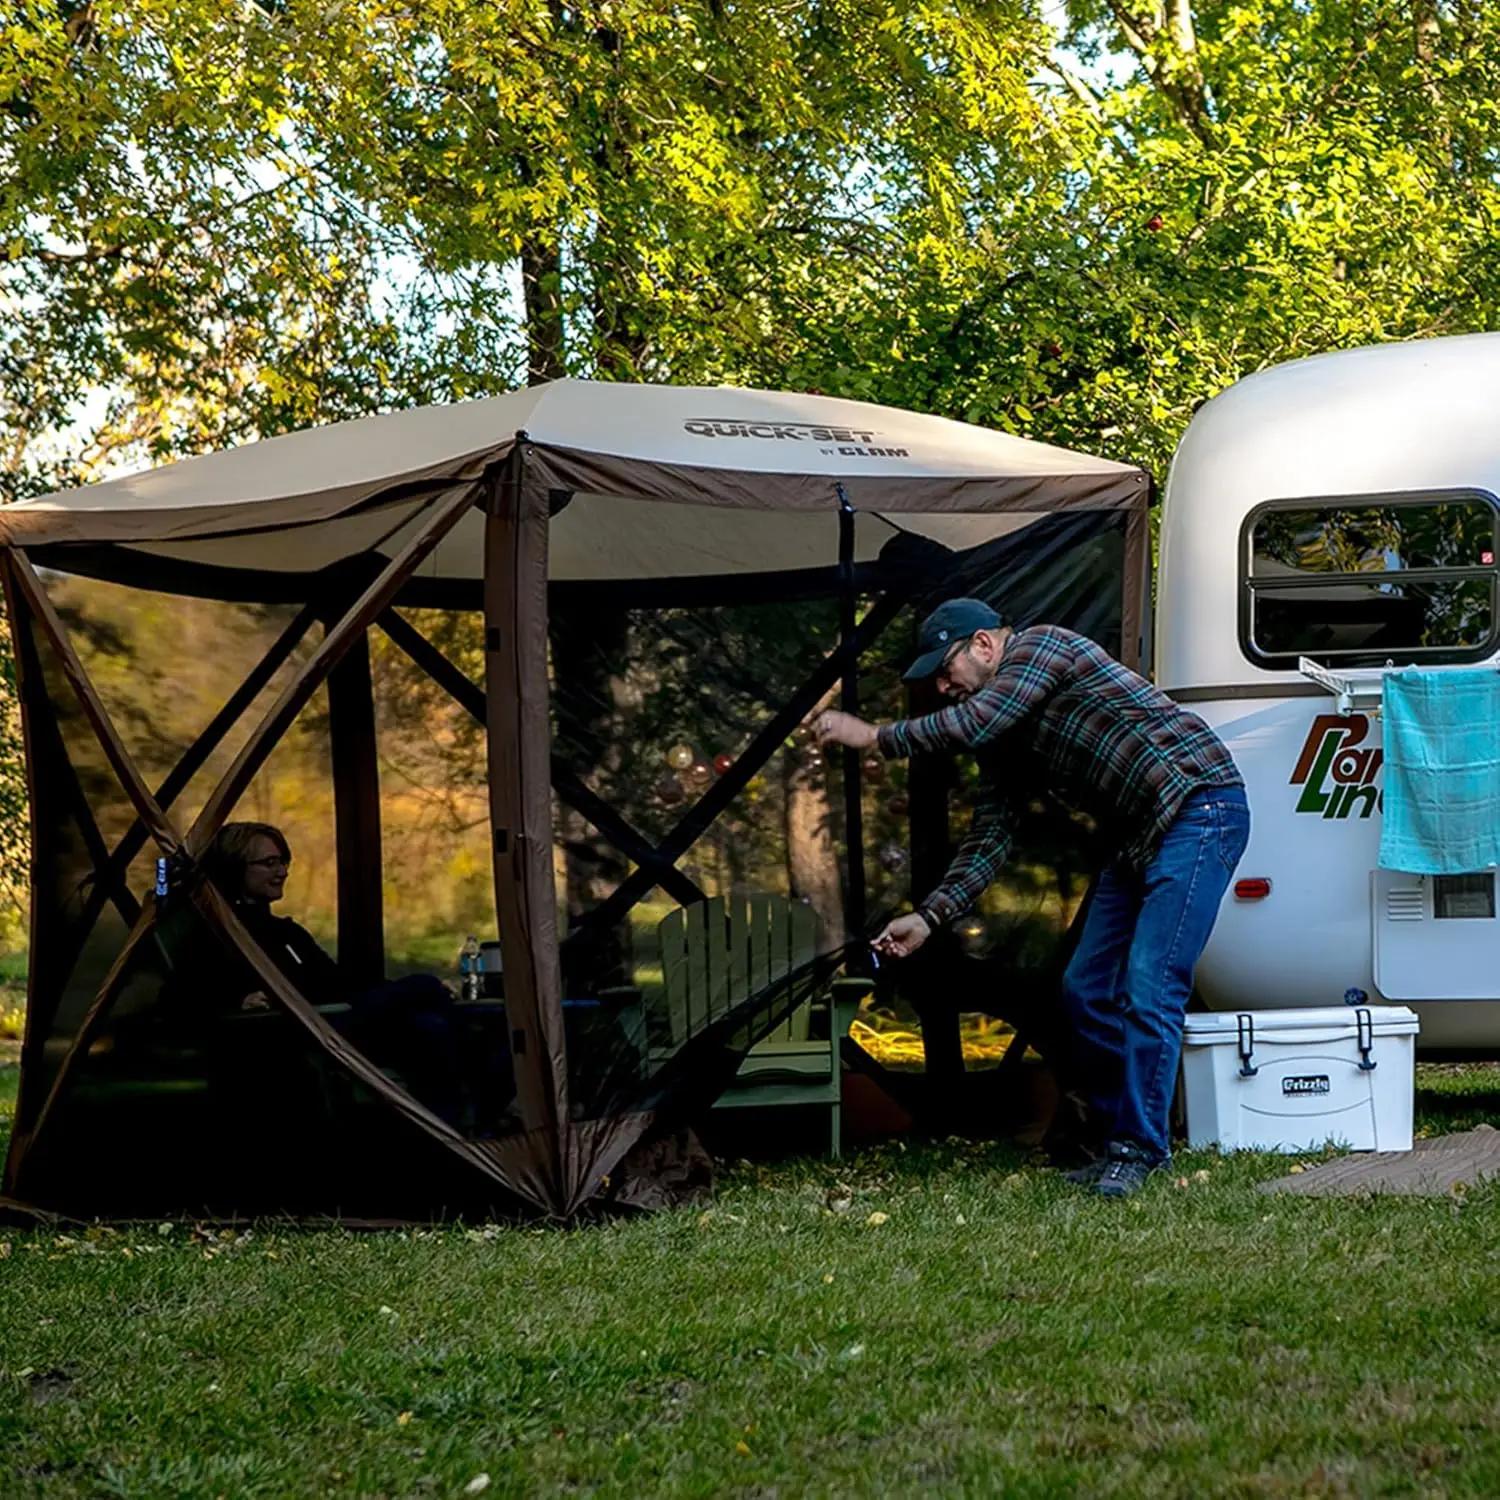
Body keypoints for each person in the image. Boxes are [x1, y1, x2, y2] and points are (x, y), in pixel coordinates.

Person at [815, 598, 1249, 1198]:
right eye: (937, 680)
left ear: (986, 646)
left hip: (1201, 806)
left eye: (946, 670)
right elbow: (989, 838)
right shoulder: (1002, 739)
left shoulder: (1044, 647)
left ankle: (1140, 1150)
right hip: (1137, 835)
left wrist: (876, 737)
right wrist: (928, 916)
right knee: (1084, 991)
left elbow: (974, 720)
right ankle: (1116, 1133)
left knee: (1151, 982)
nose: (943, 687)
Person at [178, 821, 467, 1127]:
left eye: (283, 861)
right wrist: (239, 1000)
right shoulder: (219, 934)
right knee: (424, 987)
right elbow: (179, 996)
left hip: (335, 1016)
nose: (282, 871)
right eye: (269, 863)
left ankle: (452, 1131)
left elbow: (339, 982)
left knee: (428, 1024)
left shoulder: (287, 932)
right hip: (295, 1032)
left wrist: (392, 993)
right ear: (235, 869)